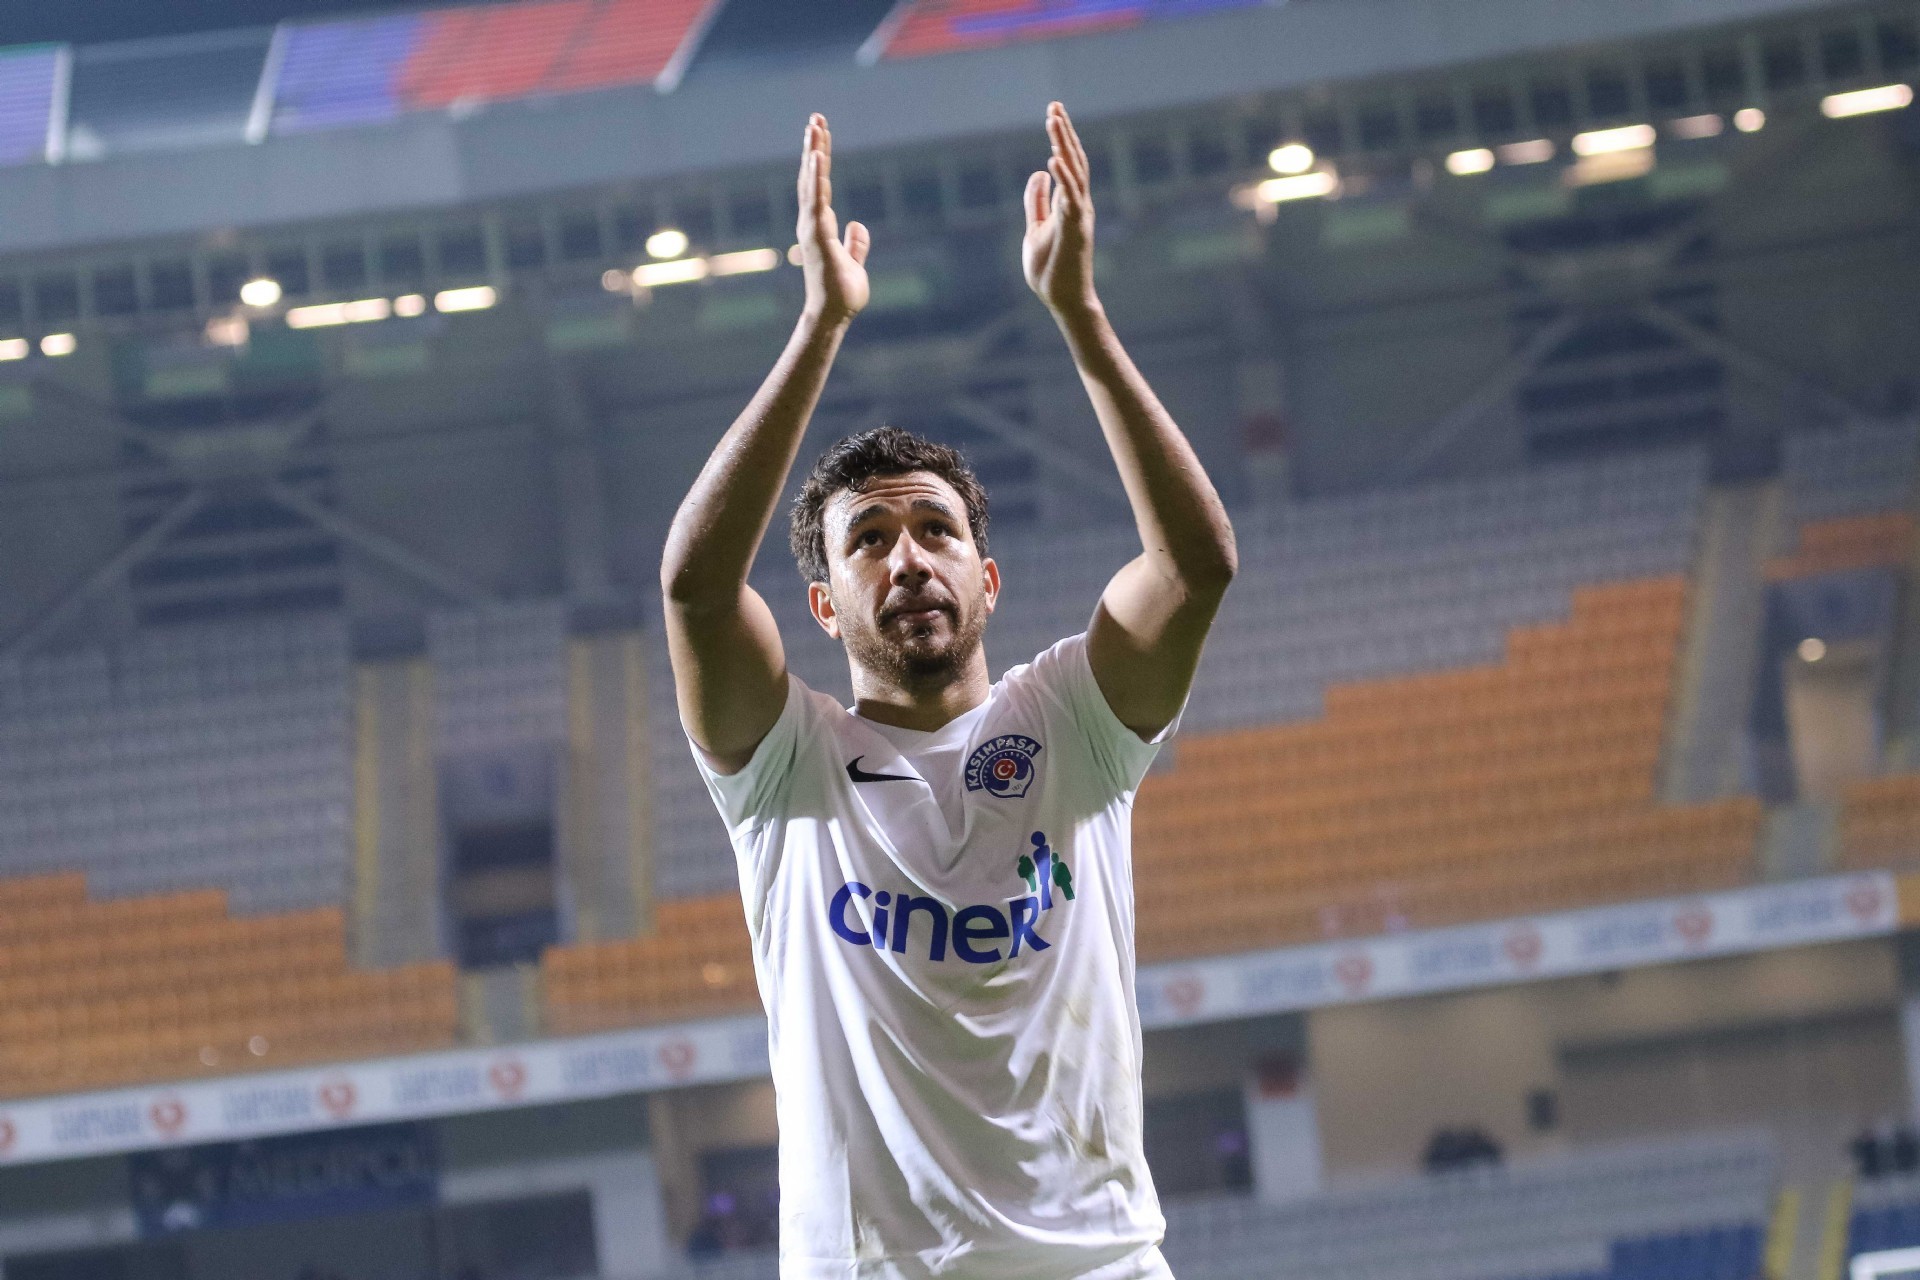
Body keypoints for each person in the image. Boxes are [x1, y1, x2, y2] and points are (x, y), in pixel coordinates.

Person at [661, 101, 1236, 1280]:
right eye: (868, 540)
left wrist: (1081, 318)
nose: (909, 557)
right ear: (825, 605)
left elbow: (1197, 565)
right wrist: (820, 324)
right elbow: (696, 588)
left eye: (936, 529)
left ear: (987, 575)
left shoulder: (1072, 718)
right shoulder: (783, 766)